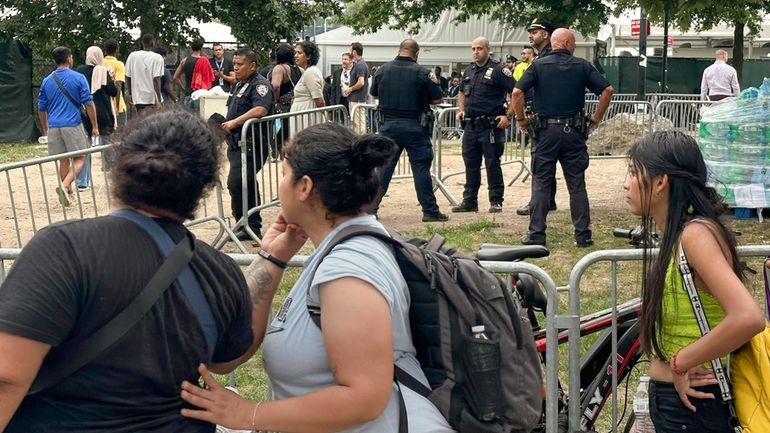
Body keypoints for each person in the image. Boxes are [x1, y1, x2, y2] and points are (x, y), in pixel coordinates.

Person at [179, 122, 454, 433]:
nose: (280, 185)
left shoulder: (349, 271)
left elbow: (364, 397)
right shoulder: (342, 248)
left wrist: (249, 414)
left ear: (305, 186)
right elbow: (235, 337)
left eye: (283, 174)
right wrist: (273, 256)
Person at [0, 107, 261, 432]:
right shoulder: (220, 271)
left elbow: (6, 376)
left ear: (118, 164)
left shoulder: (64, 248)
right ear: (205, 186)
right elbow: (226, 360)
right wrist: (273, 262)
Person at [623, 130, 764, 433]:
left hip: (694, 406)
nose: (626, 183)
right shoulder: (677, 237)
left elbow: (749, 317)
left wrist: (681, 361)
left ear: (660, 182)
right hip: (677, 402)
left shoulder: (695, 235)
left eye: (634, 173)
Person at [510, 28, 614, 247]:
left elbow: (517, 93)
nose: (575, 46)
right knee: (576, 184)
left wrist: (520, 120)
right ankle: (583, 235)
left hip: (545, 133)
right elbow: (607, 91)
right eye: (574, 43)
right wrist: (595, 119)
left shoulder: (537, 65)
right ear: (567, 44)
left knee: (540, 183)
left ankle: (537, 235)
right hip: (573, 133)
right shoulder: (582, 66)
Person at [369, 39, 447, 222]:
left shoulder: (382, 70)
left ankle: (370, 209)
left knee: (383, 169)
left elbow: (374, 94)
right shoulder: (423, 73)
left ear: (400, 50)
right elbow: (437, 100)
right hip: (415, 128)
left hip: (388, 127)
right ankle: (430, 211)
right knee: (421, 169)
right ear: (416, 53)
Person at [452, 36, 514, 214]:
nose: (475, 52)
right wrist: (461, 110)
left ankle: (496, 201)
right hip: (471, 126)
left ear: (488, 49)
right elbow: (462, 93)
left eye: (479, 48)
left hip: (490, 127)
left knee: (492, 163)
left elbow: (516, 93)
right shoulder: (469, 71)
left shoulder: (499, 70)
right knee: (470, 164)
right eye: (473, 49)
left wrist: (507, 115)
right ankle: (469, 200)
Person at [220, 47, 274, 241]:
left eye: (240, 64)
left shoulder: (260, 85)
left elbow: (260, 109)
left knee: (237, 182)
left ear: (252, 65)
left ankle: (249, 225)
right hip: (236, 145)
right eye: (234, 63)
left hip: (252, 144)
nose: (236, 67)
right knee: (246, 183)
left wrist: (235, 122)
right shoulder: (239, 84)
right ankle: (247, 224)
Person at [37, 46, 99, 207]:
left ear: (54, 61)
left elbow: (41, 108)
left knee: (63, 161)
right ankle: (65, 185)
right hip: (72, 124)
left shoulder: (46, 81)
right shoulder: (78, 78)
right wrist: (94, 125)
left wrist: (45, 129)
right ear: (69, 59)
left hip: (54, 126)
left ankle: (69, 193)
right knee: (80, 158)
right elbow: (89, 103)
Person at [516, 18, 558, 218]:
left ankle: (538, 202)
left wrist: (523, 117)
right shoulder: (541, 57)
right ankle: (548, 200)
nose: (530, 35)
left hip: (545, 118)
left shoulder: (545, 59)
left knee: (540, 163)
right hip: (545, 116)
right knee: (545, 162)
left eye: (534, 31)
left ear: (546, 34)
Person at [75, 46, 118, 189]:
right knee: (107, 143)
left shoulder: (80, 71)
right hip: (103, 112)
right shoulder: (103, 71)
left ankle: (82, 182)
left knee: (84, 147)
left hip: (85, 112)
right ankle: (113, 178)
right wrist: (110, 78)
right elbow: (113, 91)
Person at [289, 41, 325, 136]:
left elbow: (319, 100)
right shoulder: (308, 71)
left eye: (299, 53)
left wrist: (325, 117)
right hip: (303, 115)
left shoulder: (311, 72)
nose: (296, 56)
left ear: (308, 56)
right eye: (295, 53)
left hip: (307, 117)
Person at [125, 33, 164, 112]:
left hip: (137, 97)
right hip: (152, 98)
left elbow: (128, 77)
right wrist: (159, 100)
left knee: (141, 120)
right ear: (153, 43)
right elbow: (156, 79)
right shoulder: (157, 58)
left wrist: (130, 94)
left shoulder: (132, 56)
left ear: (142, 43)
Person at [173, 38, 215, 110]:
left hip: (188, 93)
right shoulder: (205, 61)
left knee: (188, 118)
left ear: (192, 48)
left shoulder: (184, 61)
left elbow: (175, 77)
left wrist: (184, 90)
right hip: (201, 95)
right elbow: (210, 78)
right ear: (201, 48)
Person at [102, 39, 127, 129]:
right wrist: (116, 107)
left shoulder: (100, 63)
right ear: (117, 50)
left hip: (103, 103)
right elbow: (118, 85)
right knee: (120, 134)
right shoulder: (119, 64)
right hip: (117, 105)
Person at [346, 41, 369, 134]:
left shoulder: (360, 65)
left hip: (357, 99)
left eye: (350, 50)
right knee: (357, 123)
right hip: (356, 99)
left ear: (354, 52)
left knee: (359, 124)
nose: (349, 52)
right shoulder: (359, 64)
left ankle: (361, 142)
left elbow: (361, 82)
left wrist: (350, 89)